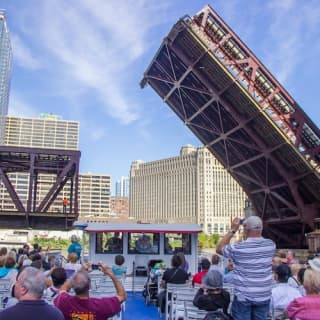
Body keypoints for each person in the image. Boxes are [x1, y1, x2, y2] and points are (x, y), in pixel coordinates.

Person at [216, 216, 276, 320]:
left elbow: (219, 248)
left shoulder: (239, 248)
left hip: (243, 297)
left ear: (246, 229)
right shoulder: (270, 245)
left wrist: (233, 230)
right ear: (261, 228)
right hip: (263, 295)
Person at [54, 263, 126, 320]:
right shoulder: (102, 306)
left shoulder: (64, 302)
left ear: (73, 286)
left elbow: (62, 289)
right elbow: (122, 296)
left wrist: (79, 272)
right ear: (90, 286)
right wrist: (111, 274)